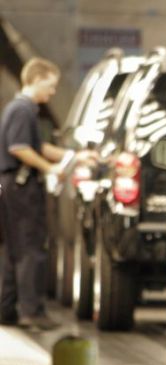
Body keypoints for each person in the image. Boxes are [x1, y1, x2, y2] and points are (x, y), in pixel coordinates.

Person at [0, 58, 91, 330]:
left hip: (12, 187)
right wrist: (50, 170)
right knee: (30, 250)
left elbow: (37, 146)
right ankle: (32, 312)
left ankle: (7, 308)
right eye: (50, 86)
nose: (52, 93)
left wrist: (76, 156)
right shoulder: (22, 110)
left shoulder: (21, 109)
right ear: (37, 79)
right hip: (21, 188)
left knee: (13, 249)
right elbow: (19, 148)